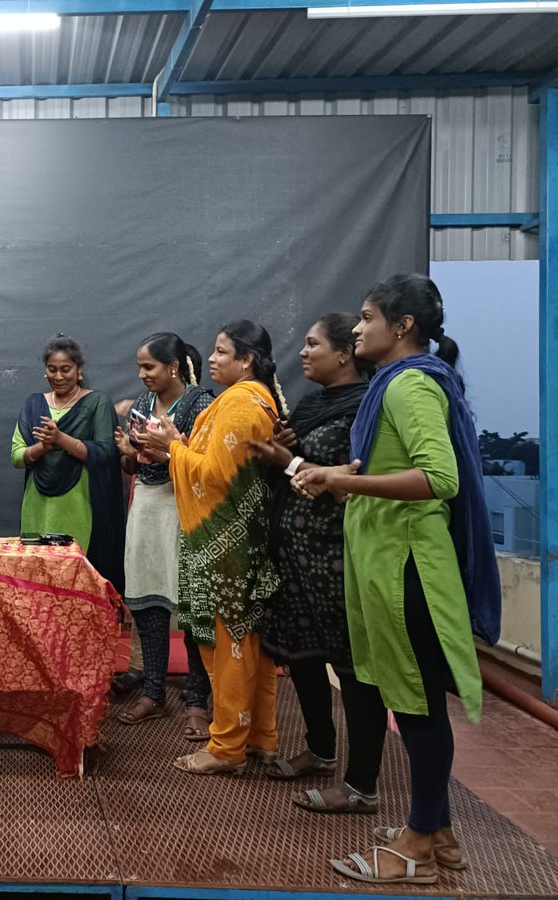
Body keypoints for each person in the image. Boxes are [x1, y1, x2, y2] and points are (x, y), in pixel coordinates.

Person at [292, 274, 500, 885]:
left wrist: (344, 482)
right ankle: (438, 833)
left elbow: (439, 478)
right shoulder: (397, 386)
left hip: (407, 565)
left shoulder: (409, 385)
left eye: (365, 317)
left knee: (416, 706)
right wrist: (342, 474)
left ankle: (414, 846)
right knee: (412, 703)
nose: (356, 328)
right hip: (387, 560)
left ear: (401, 325)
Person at [246, 314, 388, 812]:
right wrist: (284, 455)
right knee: (303, 656)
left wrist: (283, 458)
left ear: (345, 353)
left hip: (337, 557)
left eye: (312, 344)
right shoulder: (309, 405)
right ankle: (321, 751)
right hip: (295, 556)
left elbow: (336, 475)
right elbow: (299, 466)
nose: (303, 353)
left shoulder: (366, 408)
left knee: (352, 669)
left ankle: (361, 782)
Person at [140, 320, 285, 775]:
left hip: (226, 545)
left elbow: (217, 477)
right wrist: (176, 447)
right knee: (247, 647)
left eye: (222, 352)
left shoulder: (241, 406)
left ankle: (226, 747)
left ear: (247, 360)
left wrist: (172, 449)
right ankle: (259, 739)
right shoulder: (242, 401)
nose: (213, 359)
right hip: (231, 542)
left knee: (231, 647)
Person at [112, 333, 214, 736]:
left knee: (188, 607)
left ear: (173, 366)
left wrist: (168, 452)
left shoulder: (200, 404)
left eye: (149, 367)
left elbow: (207, 466)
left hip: (183, 508)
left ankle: (196, 701)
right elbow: (133, 467)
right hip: (147, 508)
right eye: (139, 367)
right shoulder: (142, 405)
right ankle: (152, 694)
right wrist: (128, 451)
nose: (142, 375)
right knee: (147, 603)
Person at [12, 335, 124, 592]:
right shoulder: (34, 404)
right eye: (52, 370)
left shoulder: (97, 403)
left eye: (66, 369)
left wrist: (61, 439)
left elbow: (107, 454)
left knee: (76, 578)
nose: (58, 376)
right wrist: (43, 447)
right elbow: (17, 456)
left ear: (79, 370)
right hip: (37, 504)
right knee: (38, 579)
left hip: (80, 502)